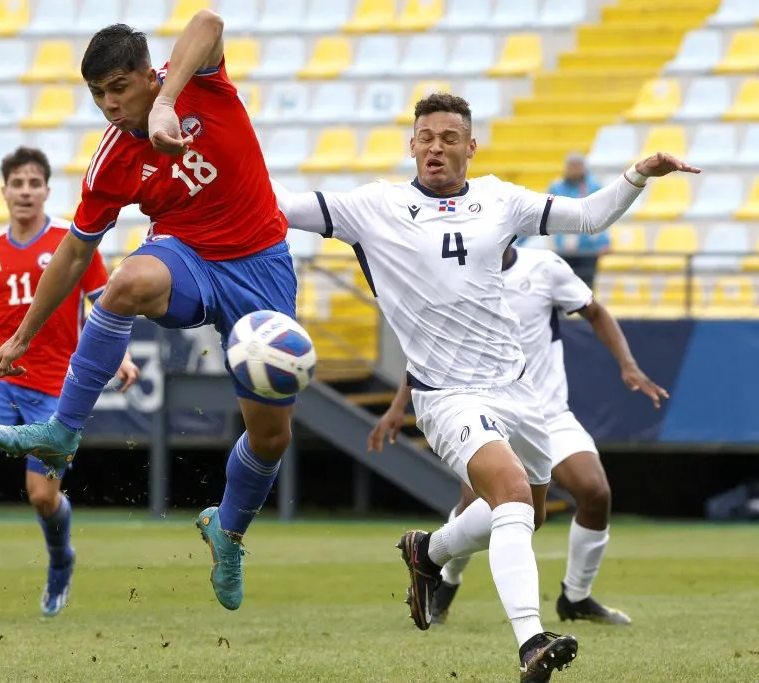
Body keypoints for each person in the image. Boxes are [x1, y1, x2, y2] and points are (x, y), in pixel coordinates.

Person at [272, 92, 699, 681]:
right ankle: (531, 641)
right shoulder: (374, 206)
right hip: (447, 395)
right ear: (412, 145)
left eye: (449, 137)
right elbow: (283, 206)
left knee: (531, 512)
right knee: (512, 498)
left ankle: (431, 551)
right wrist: (213, 168)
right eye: (426, 137)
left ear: (470, 148)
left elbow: (588, 217)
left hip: (519, 391)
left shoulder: (501, 200)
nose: (436, 147)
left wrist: (637, 175)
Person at [0, 14, 296, 612]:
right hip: (188, 260)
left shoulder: (200, 84)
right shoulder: (112, 161)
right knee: (126, 281)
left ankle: (226, 531)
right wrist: (24, 333)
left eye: (119, 88)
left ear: (149, 75)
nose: (109, 105)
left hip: (262, 266)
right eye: (98, 94)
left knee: (272, 436)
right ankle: (64, 430)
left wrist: (166, 104)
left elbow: (208, 19)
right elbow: (75, 252)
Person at [369, 242, 670, 628]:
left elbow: (595, 311)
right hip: (484, 409)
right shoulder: (457, 277)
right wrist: (398, 406)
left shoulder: (544, 268)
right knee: (476, 504)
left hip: (546, 412)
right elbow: (431, 352)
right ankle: (445, 581)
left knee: (595, 493)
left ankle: (576, 597)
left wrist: (628, 366)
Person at [0, 147, 140, 619]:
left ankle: (61, 562)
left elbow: (106, 303)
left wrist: (121, 355)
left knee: (42, 496)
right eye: (16, 183)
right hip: (0, 381)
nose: (25, 191)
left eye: (33, 183)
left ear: (45, 190)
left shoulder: (72, 243)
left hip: (60, 387)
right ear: (3, 191)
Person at [547, 152, 607, 288]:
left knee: (586, 288)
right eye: (571, 166)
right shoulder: (556, 187)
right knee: (562, 287)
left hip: (588, 249)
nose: (574, 170)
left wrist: (604, 242)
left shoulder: (593, 187)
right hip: (563, 248)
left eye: (577, 166)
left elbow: (603, 214)